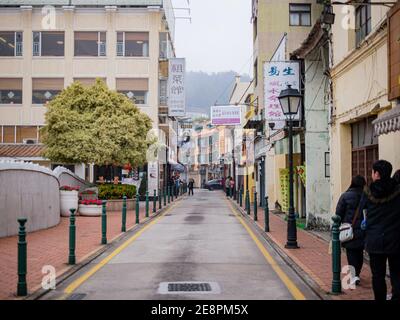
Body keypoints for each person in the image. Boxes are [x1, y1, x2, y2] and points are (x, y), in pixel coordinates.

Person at [362, 160, 400, 301]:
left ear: (376, 174)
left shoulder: (368, 192)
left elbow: (362, 212)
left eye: (372, 172)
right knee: (396, 273)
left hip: (375, 240)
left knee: (378, 275)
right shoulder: (397, 190)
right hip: (395, 240)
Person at [335, 175, 366, 286]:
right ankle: (357, 273)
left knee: (351, 253)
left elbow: (338, 213)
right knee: (359, 252)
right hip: (362, 230)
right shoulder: (365, 196)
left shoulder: (345, 196)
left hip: (349, 230)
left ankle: (354, 276)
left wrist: (336, 228)